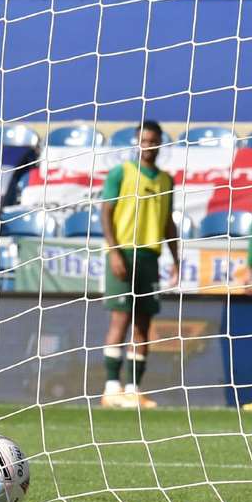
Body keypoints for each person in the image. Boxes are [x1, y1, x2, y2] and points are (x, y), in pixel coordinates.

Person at [98, 120, 179, 409]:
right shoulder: (122, 172)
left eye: (153, 141)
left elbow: (168, 222)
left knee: (144, 323)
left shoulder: (166, 180)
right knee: (120, 318)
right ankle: (110, 388)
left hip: (150, 257)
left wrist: (176, 260)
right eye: (143, 141)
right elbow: (106, 212)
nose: (148, 146)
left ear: (160, 143)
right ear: (137, 143)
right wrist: (114, 251)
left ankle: (133, 390)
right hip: (124, 253)